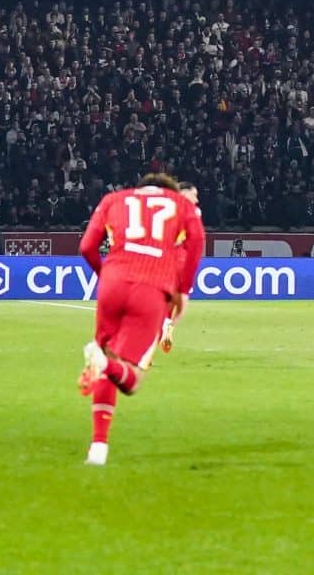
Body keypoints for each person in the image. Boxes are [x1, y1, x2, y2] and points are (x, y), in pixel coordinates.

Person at [74, 173, 207, 466]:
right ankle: (102, 362)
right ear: (170, 190)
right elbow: (197, 240)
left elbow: (86, 247)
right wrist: (183, 290)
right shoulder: (180, 204)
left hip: (113, 283)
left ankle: (98, 448)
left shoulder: (113, 199)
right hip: (151, 288)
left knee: (108, 360)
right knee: (131, 378)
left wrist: (106, 274)